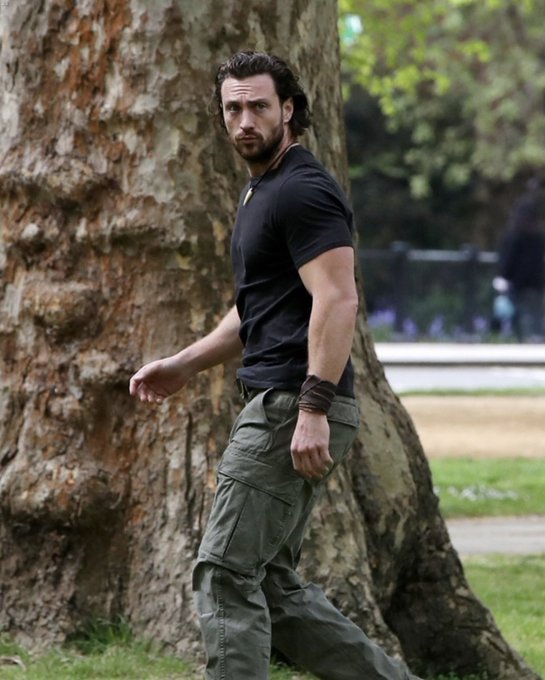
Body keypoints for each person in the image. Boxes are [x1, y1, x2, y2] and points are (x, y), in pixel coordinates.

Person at [130, 51, 422, 680]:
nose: (245, 120)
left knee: (224, 572)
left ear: (287, 109)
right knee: (272, 587)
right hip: (287, 401)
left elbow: (337, 298)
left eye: (258, 106)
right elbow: (256, 308)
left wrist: (313, 407)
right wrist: (184, 364)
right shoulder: (263, 189)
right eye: (232, 108)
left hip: (292, 402)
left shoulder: (302, 189)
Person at [497, 178, 545, 342]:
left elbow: (508, 260)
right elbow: (508, 259)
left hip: (530, 283)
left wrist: (503, 276)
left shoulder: (533, 237)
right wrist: (503, 277)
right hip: (522, 284)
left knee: (530, 315)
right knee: (523, 315)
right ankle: (526, 338)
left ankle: (529, 338)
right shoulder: (517, 236)